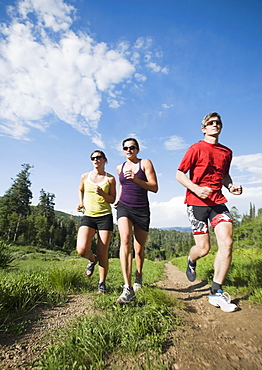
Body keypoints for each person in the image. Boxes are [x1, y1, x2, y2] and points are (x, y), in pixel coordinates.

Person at [176, 112, 242, 312]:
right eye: (210, 123)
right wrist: (196, 188)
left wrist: (231, 186)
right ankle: (191, 259)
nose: (215, 125)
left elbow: (224, 176)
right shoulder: (195, 148)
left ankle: (216, 291)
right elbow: (179, 174)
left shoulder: (226, 152)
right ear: (204, 128)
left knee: (227, 242)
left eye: (218, 123)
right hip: (195, 202)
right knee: (203, 249)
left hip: (217, 202)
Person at [114, 138, 158, 303]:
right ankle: (127, 288)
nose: (128, 150)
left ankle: (138, 275)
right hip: (124, 207)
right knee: (125, 240)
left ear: (137, 149)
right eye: (125, 148)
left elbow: (154, 187)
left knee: (139, 249)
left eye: (132, 147)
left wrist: (136, 179)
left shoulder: (145, 163)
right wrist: (118, 199)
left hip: (141, 209)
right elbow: (122, 186)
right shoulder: (120, 167)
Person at [76, 150, 116, 294]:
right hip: (88, 216)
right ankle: (92, 260)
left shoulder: (110, 178)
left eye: (98, 157)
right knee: (81, 249)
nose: (95, 160)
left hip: (105, 216)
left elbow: (112, 199)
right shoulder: (85, 176)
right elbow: (80, 190)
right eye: (93, 158)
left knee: (103, 252)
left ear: (104, 160)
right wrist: (81, 203)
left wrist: (103, 194)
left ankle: (102, 284)